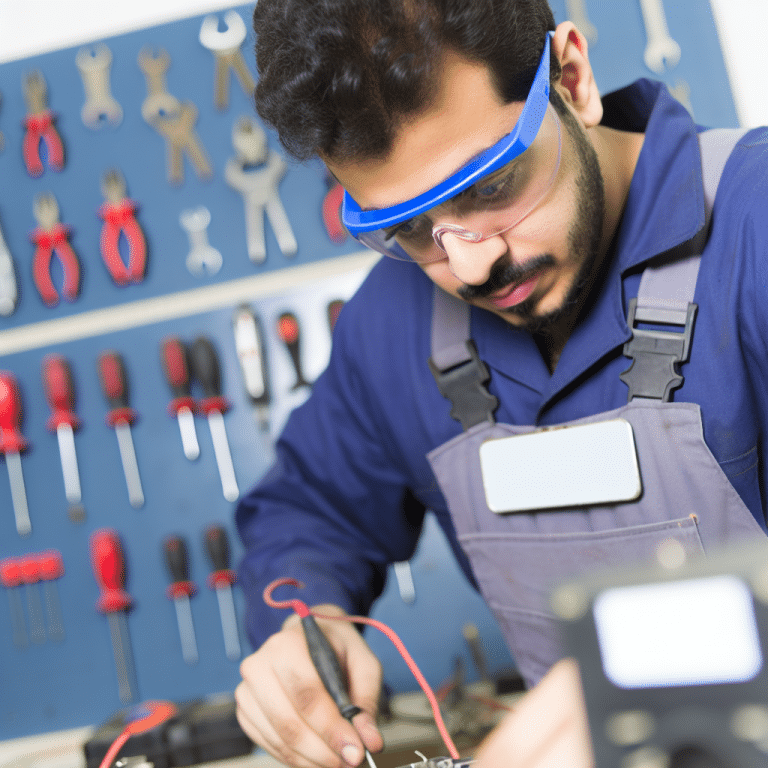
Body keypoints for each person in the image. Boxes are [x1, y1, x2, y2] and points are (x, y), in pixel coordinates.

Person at [234, 1, 768, 766]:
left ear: (572, 81)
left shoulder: (756, 220)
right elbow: (308, 507)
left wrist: (666, 665)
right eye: (410, 227)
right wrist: (304, 621)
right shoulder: (392, 325)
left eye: (488, 188)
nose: (473, 265)